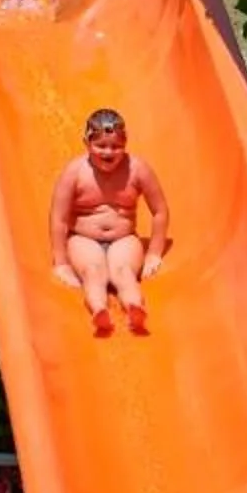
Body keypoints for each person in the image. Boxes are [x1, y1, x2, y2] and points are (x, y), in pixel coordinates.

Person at [48, 110, 170, 338]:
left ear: (125, 142)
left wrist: (154, 253)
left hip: (124, 239)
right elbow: (59, 217)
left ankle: (134, 307)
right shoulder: (75, 172)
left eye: (115, 146)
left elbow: (160, 211)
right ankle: (99, 309)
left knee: (124, 273)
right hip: (83, 239)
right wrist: (61, 262)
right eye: (101, 145)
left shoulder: (137, 169)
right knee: (93, 272)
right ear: (86, 143)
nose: (108, 152)